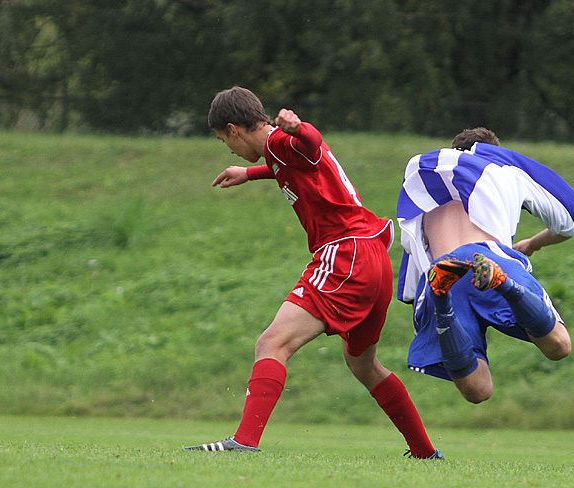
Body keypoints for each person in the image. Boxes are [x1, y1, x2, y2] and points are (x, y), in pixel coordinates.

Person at [184, 86, 441, 458]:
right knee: (363, 364)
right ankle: (425, 452)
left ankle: (244, 443)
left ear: (233, 129)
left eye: (225, 140)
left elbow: (311, 145)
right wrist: (250, 172)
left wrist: (299, 126)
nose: (228, 148)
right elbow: (301, 164)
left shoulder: (279, 140)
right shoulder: (277, 152)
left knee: (272, 343)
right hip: (374, 257)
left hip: (345, 255)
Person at [396, 127, 574, 403]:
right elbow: (573, 217)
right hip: (489, 258)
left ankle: (442, 299)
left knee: (478, 390)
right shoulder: (502, 163)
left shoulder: (421, 173)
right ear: (494, 147)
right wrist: (533, 243)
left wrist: (436, 297)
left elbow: (410, 290)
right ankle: (506, 286)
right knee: (559, 346)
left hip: (441, 270)